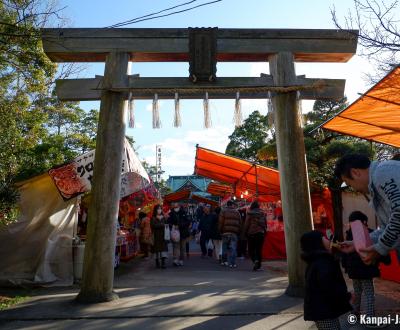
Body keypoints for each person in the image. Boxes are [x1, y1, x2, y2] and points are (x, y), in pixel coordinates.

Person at [334, 153, 400, 264]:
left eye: (350, 184)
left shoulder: (382, 172)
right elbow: (387, 228)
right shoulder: (377, 185)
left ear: (355, 172)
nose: (353, 188)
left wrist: (380, 248)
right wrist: (358, 243)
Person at [341, 211, 389, 319]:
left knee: (357, 292)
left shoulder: (349, 235)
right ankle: (370, 317)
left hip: (354, 272)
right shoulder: (369, 233)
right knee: (369, 294)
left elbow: (345, 255)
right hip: (366, 270)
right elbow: (378, 249)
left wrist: (346, 268)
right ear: (364, 221)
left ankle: (355, 312)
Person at [301, 230, 352, 330]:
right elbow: (330, 287)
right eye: (324, 237)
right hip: (325, 312)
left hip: (324, 310)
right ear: (318, 242)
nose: (329, 240)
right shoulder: (323, 263)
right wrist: (347, 297)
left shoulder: (317, 261)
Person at [243, 201, 266, 271]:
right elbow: (265, 223)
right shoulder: (262, 213)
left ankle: (255, 261)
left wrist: (244, 232)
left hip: (252, 233)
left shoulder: (249, 213)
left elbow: (246, 224)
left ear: (252, 206)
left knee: (251, 250)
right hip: (260, 233)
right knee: (259, 249)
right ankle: (258, 265)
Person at [219, 200, 242, 268]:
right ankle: (233, 263)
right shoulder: (237, 212)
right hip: (234, 233)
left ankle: (224, 261)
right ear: (232, 205)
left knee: (224, 247)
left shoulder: (223, 211)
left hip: (225, 232)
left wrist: (220, 231)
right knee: (233, 248)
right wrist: (239, 231)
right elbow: (240, 223)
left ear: (227, 205)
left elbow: (220, 222)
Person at [150, 204, 168, 269]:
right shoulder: (153, 218)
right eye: (158, 209)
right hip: (156, 236)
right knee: (156, 251)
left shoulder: (164, 217)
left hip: (163, 236)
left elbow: (166, 224)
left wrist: (163, 224)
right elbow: (153, 226)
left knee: (163, 250)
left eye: (160, 209)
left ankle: (163, 263)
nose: (159, 210)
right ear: (155, 210)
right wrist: (161, 225)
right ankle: (157, 262)